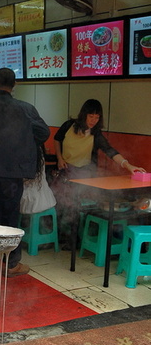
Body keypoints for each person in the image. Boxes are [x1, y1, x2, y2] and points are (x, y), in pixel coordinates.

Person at [0, 68, 50, 276]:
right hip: (12, 173)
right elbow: (43, 132)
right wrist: (22, 138)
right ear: (14, 86)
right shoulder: (25, 108)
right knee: (10, 216)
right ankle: (11, 263)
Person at [53, 98, 145, 244]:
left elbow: (110, 151)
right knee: (64, 204)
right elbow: (57, 139)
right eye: (91, 116)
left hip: (84, 174)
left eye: (97, 117)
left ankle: (76, 240)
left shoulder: (96, 133)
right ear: (84, 115)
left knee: (76, 205)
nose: (94, 120)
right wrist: (59, 158)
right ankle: (63, 238)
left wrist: (129, 166)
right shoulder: (68, 125)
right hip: (66, 170)